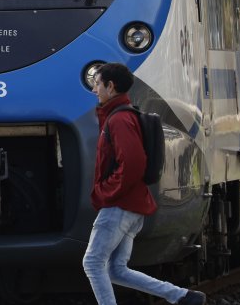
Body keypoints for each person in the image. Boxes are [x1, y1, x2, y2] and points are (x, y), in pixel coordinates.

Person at [82, 63, 205, 305]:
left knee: (93, 263)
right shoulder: (123, 115)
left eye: (97, 84)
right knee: (116, 269)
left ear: (111, 86)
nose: (95, 89)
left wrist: (107, 192)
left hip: (119, 206)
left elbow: (134, 162)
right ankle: (183, 296)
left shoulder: (119, 120)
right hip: (131, 206)